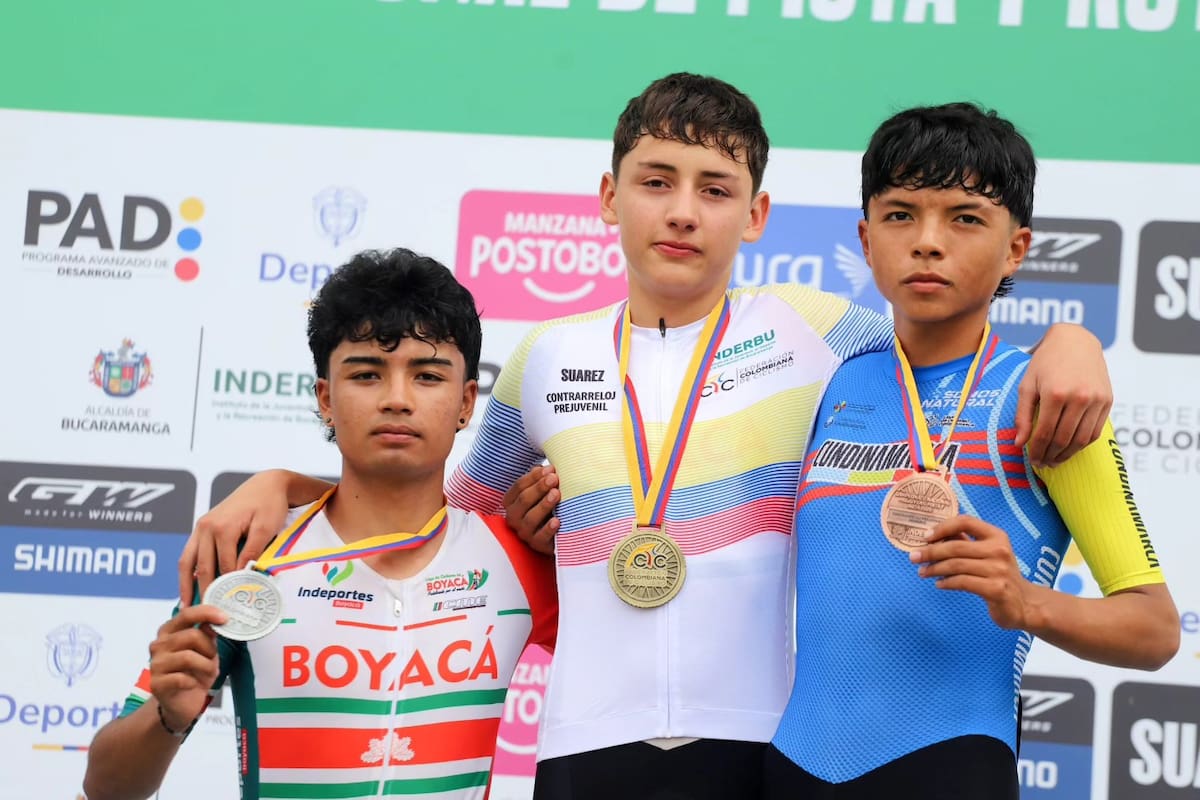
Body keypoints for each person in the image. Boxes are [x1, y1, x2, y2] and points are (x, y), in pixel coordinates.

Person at [178, 76, 1114, 799]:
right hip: (586, 748)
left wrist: (1075, 342)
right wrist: (286, 483)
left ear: (755, 216)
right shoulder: (543, 358)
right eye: (656, 181)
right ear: (606, 196)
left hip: (760, 748)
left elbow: (948, 353)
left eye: (715, 189)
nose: (680, 211)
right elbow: (431, 513)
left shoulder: (821, 331)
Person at [762, 103, 1179, 799]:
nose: (928, 242)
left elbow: (1155, 629)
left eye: (965, 217)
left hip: (946, 769)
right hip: (789, 769)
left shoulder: (1047, 400)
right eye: (901, 215)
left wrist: (1026, 601)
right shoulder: (824, 377)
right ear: (865, 239)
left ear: (1016, 248)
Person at [82, 249, 556, 800]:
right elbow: (106, 790)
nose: (397, 399)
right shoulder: (253, 554)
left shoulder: (521, 562)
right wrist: (167, 716)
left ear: (466, 403)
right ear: (326, 399)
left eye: (427, 376)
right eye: (366, 374)